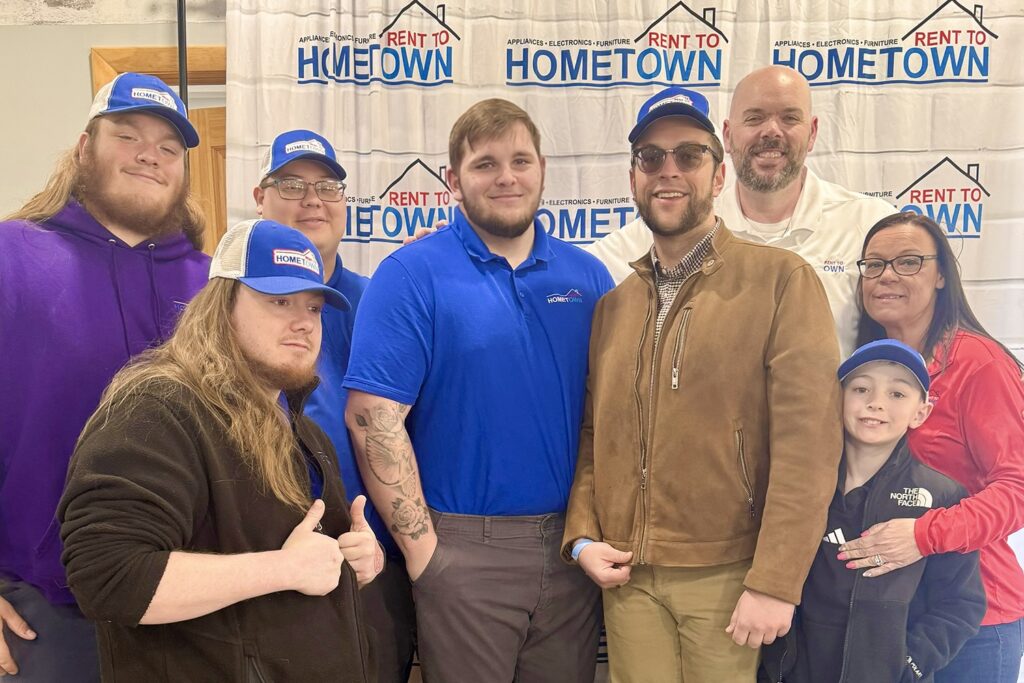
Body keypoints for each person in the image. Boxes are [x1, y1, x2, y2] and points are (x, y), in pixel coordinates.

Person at [562, 86, 842, 682]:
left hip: (729, 575)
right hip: (627, 577)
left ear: (718, 175)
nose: (669, 172)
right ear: (634, 177)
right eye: (651, 159)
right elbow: (593, 435)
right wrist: (584, 534)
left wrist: (776, 580)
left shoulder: (780, 281)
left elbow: (809, 447)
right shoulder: (614, 306)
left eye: (688, 156)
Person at [344, 98, 613, 682]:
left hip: (573, 549)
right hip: (462, 548)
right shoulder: (411, 274)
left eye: (520, 160)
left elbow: (611, 414)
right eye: (485, 164)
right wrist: (425, 555)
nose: (507, 177)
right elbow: (372, 417)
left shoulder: (587, 277)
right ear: (453, 180)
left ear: (542, 168)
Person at [57, 219, 379, 682]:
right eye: (279, 300)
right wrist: (281, 569)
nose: (303, 322)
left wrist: (355, 560)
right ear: (221, 307)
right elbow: (109, 578)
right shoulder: (157, 410)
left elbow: (309, 564)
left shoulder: (304, 432)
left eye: (313, 306)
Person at [0, 72, 208, 681]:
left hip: (197, 604)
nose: (150, 154)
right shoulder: (12, 257)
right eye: (128, 135)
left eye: (169, 147)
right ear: (84, 148)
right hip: (46, 613)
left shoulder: (210, 287)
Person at [254, 129, 415, 682]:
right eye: (292, 184)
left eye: (328, 186)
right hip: (257, 565)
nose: (312, 199)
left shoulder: (382, 302)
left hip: (368, 561)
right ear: (260, 197)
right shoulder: (226, 307)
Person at [586, 65, 893, 356]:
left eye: (789, 118)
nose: (771, 132)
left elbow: (920, 333)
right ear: (728, 136)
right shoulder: (682, 225)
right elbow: (580, 272)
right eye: (754, 119)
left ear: (812, 133)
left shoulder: (869, 224)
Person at [837, 212, 1024, 682]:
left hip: (974, 622)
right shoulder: (860, 373)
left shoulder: (978, 364)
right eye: (874, 265)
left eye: (908, 262)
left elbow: (1018, 487)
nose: (887, 276)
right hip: (888, 616)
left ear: (942, 275)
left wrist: (924, 535)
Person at [762, 339, 986, 682]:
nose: (876, 403)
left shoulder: (942, 496)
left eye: (897, 394)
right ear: (837, 399)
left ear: (921, 412)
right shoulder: (795, 487)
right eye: (861, 388)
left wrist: (909, 664)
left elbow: (961, 604)